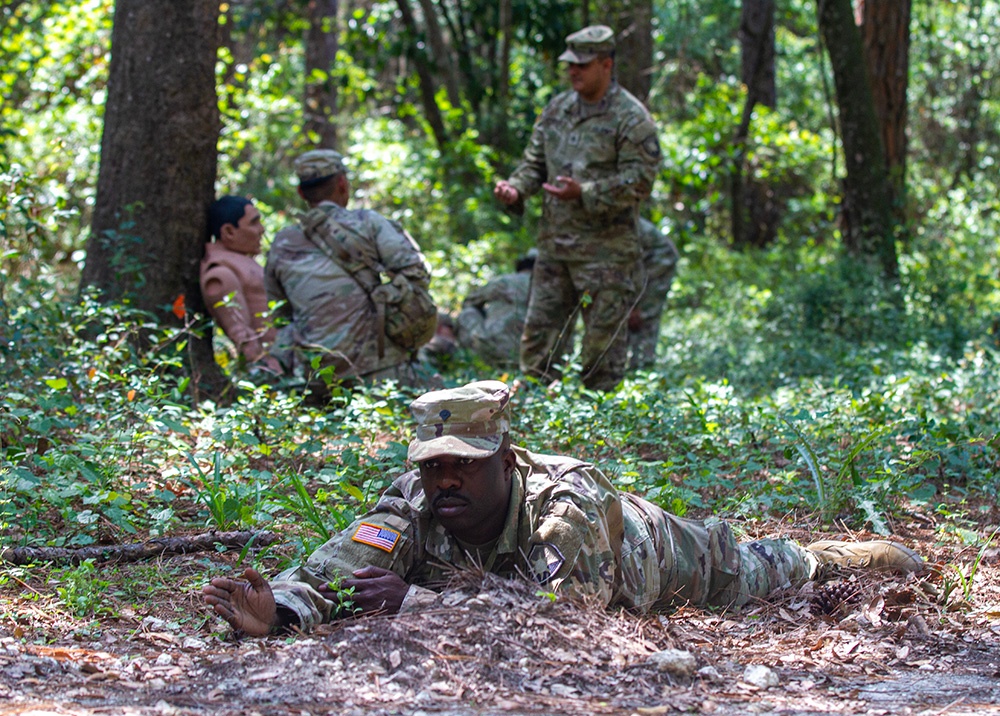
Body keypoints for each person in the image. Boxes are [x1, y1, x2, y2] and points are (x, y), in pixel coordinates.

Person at [203, 380, 924, 636]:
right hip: (579, 567)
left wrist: (417, 606)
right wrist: (282, 610)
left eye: (463, 465)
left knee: (775, 570)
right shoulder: (415, 500)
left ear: (503, 460)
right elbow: (340, 567)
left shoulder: (563, 503)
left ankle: (848, 554)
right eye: (434, 465)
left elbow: (568, 617)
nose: (445, 480)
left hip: (665, 557)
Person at [494, 25, 661, 391]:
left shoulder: (631, 118)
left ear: (606, 64)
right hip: (555, 249)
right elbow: (534, 163)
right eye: (570, 64)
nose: (573, 71)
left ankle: (601, 428)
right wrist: (515, 189)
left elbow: (640, 180)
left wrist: (583, 192)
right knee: (538, 343)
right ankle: (537, 412)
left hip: (607, 255)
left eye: (582, 65)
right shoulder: (557, 110)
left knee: (601, 352)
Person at [264, 149, 434, 388]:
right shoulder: (368, 223)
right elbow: (417, 273)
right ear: (343, 184)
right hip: (381, 372)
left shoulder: (282, 242)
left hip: (316, 379)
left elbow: (279, 312)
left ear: (301, 192)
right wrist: (387, 298)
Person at [200, 196, 280, 372]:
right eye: (253, 223)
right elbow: (241, 332)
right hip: (275, 366)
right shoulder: (220, 273)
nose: (261, 230)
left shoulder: (241, 263)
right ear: (229, 231)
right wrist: (268, 368)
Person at [455, 251, 536, 368]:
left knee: (467, 313)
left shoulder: (503, 282)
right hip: (535, 355)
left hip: (494, 349)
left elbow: (469, 302)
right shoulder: (552, 289)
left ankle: (471, 362)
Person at [628, 217, 679, 370]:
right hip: (641, 264)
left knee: (641, 317)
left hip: (658, 262)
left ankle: (642, 369)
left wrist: (635, 302)